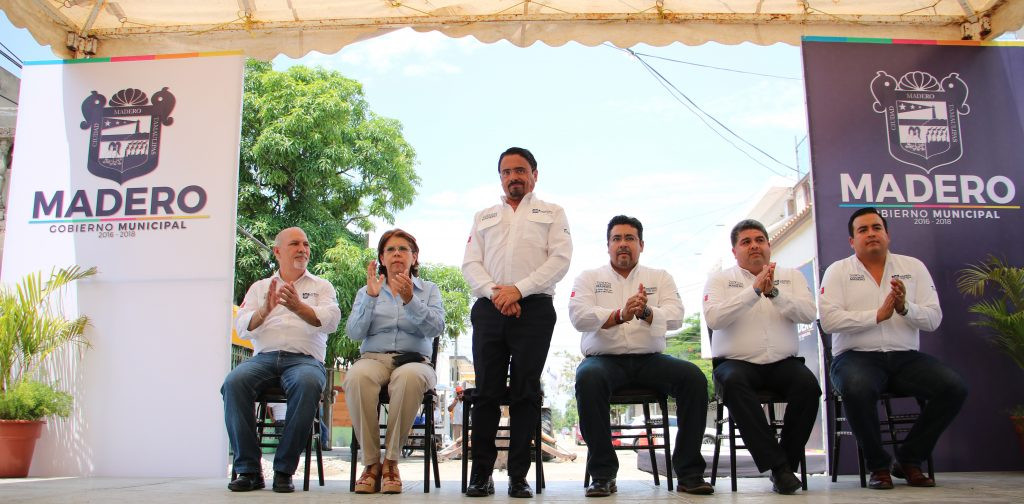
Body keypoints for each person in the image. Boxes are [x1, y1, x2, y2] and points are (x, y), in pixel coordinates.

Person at [819, 207, 968, 490]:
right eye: (862, 230)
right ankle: (878, 467)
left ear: (887, 235)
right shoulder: (838, 270)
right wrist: (876, 315)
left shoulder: (913, 267)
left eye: (876, 228)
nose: (871, 233)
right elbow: (829, 321)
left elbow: (933, 319)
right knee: (857, 386)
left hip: (904, 358)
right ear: (852, 241)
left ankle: (909, 459)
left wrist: (904, 307)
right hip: (855, 357)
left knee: (953, 387)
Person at [569, 215, 712, 497]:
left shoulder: (659, 277)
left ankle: (689, 472)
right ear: (607, 245)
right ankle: (603, 474)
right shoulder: (589, 278)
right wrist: (620, 314)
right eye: (617, 239)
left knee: (693, 378)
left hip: (650, 360)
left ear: (641, 244)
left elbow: (676, 316)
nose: (623, 244)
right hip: (603, 361)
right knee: (587, 377)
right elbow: (579, 316)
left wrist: (646, 312)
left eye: (630, 239)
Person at [461, 147, 573, 498]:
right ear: (500, 177)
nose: (514, 177)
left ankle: (518, 475)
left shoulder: (552, 213)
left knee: (526, 393)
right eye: (507, 171)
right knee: (487, 394)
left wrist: (519, 291)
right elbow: (470, 263)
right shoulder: (484, 216)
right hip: (489, 308)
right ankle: (481, 474)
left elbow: (561, 259)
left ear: (534, 175)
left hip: (535, 310)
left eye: (521, 170)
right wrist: (498, 294)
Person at [702, 219, 820, 494]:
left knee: (808, 387)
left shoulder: (791, 276)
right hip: (735, 364)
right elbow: (715, 317)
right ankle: (780, 469)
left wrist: (774, 293)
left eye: (759, 240)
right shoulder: (719, 280)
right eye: (746, 242)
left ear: (769, 245)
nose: (754, 246)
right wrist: (754, 291)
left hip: (783, 363)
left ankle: (784, 465)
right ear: (734, 251)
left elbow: (808, 313)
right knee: (733, 382)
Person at [222, 227, 341, 493]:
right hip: (263, 358)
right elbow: (242, 326)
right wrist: (265, 309)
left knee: (309, 383)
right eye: (295, 244)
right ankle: (249, 470)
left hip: (305, 360)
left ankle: (284, 470)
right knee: (233, 383)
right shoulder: (260, 287)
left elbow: (331, 321)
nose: (303, 249)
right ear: (277, 252)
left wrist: (299, 307)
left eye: (306, 244)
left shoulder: (321, 286)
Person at [343, 229, 445, 494]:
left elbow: (435, 328)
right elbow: (354, 333)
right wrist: (371, 297)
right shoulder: (366, 291)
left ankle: (391, 462)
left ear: (414, 257)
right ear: (381, 258)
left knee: (409, 378)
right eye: (390, 249)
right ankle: (371, 464)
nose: (397, 253)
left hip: (416, 362)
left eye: (403, 249)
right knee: (356, 376)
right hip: (374, 358)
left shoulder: (429, 291)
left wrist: (411, 300)